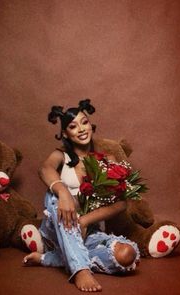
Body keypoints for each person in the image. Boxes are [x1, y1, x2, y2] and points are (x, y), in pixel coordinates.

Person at [23, 99, 140, 292]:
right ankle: (79, 269)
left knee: (127, 255)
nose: (81, 129)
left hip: (89, 232)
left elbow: (121, 204)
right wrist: (63, 193)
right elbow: (45, 169)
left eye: (84, 122)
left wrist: (85, 221)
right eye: (73, 126)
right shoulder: (61, 155)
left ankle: (51, 258)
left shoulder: (106, 160)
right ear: (64, 133)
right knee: (53, 197)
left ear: (91, 125)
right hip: (59, 226)